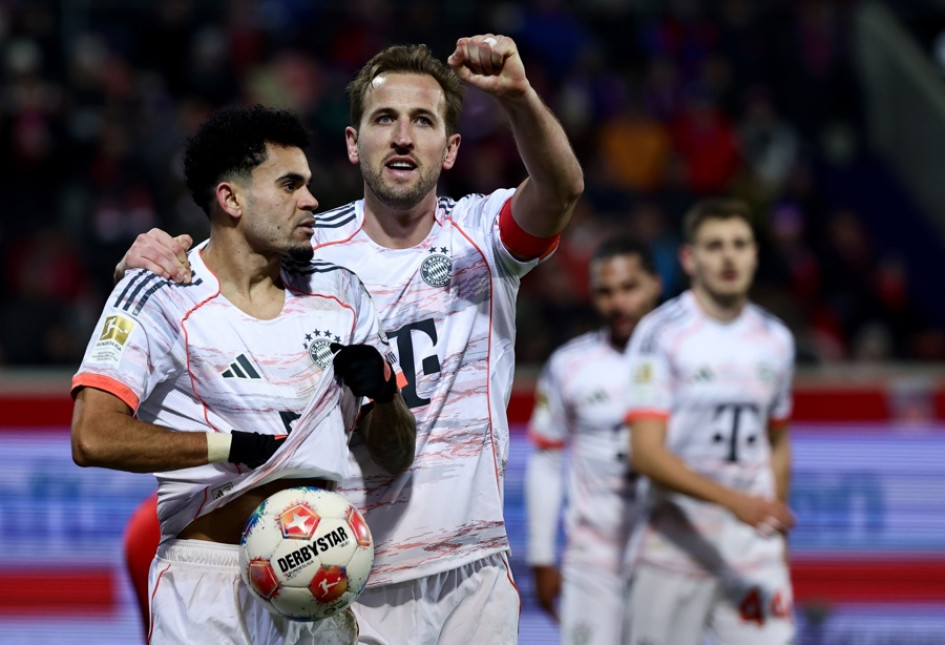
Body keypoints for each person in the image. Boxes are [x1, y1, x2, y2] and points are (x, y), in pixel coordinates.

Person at [117, 35, 584, 644]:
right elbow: (207, 273)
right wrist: (152, 253)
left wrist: (519, 96)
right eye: (384, 118)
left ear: (450, 150)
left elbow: (561, 190)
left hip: (468, 569)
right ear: (352, 141)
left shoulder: (482, 238)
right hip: (336, 567)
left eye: (423, 121)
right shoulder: (302, 250)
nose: (402, 136)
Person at [72, 104, 416, 644]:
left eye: (308, 184)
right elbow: (92, 436)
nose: (311, 200)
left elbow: (395, 454)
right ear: (230, 199)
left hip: (321, 585)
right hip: (207, 583)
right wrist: (227, 445)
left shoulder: (342, 294)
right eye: (289, 185)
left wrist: (384, 397)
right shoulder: (159, 294)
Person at [622, 197, 796, 644]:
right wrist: (735, 501)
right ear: (689, 258)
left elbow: (776, 441)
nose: (729, 256)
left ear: (755, 254)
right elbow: (645, 453)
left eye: (739, 244)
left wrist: (770, 517)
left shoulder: (776, 339)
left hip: (750, 550)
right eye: (715, 245)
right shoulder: (660, 333)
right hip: (674, 547)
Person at [525, 237, 662, 645]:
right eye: (605, 292)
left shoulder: (689, 361)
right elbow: (547, 461)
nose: (618, 303)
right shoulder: (570, 365)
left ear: (656, 284)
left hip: (670, 554)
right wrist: (541, 555)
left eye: (629, 287)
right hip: (592, 558)